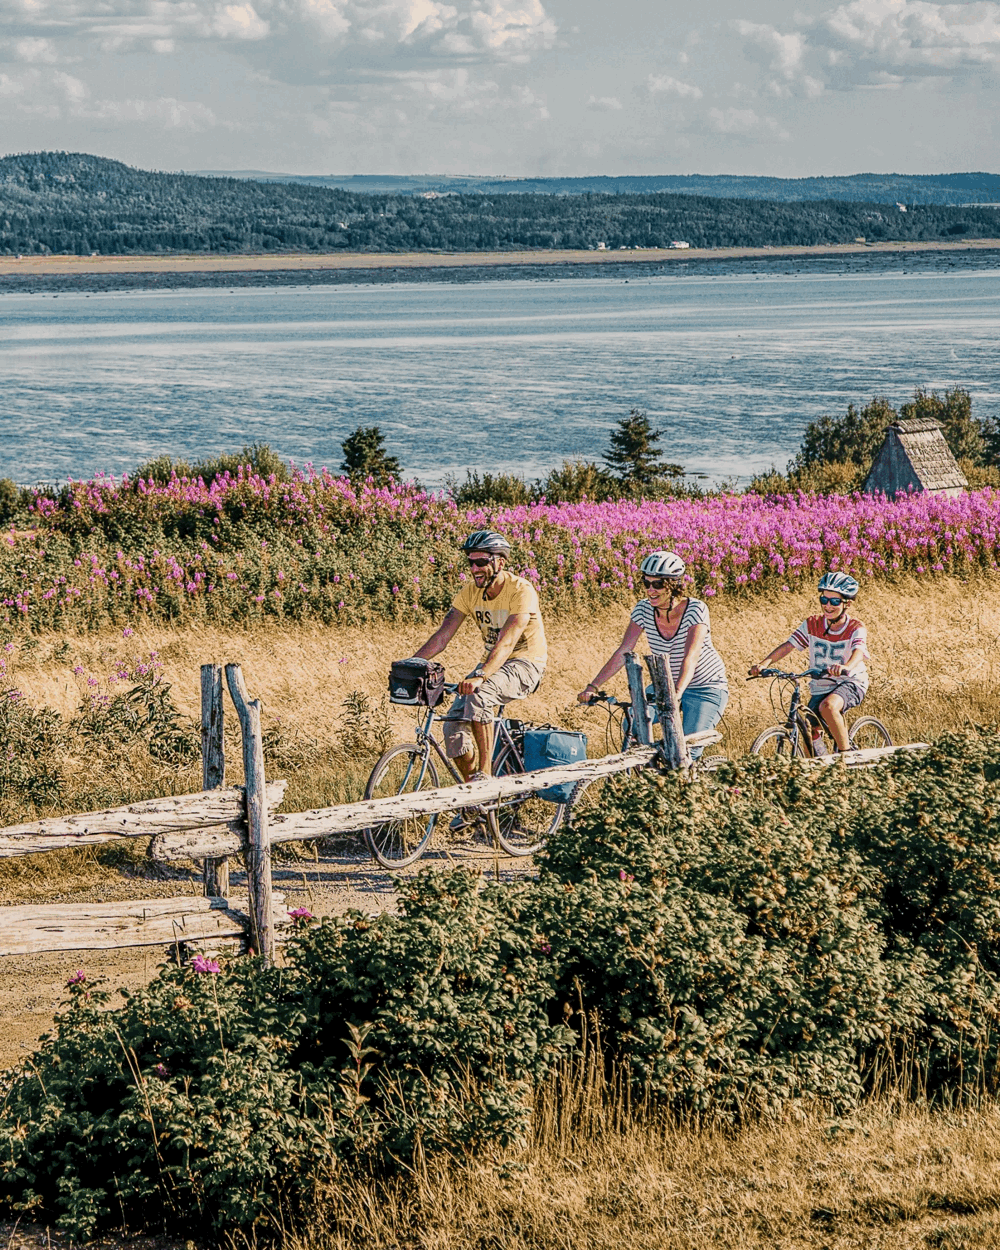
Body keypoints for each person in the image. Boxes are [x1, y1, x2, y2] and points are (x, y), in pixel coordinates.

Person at [412, 530, 547, 782]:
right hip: (491, 664)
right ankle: (473, 800)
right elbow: (443, 635)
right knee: (452, 726)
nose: (474, 568)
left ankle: (485, 778)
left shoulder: (521, 590)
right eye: (470, 562)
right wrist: (412, 664)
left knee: (479, 695)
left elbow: (507, 643)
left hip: (525, 664)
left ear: (500, 562)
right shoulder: (470, 593)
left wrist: (481, 676)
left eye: (482, 562)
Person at [577, 550, 728, 758]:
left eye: (657, 584)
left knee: (689, 749)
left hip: (705, 686)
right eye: (646, 583)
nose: (650, 590)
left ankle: (689, 783)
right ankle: (650, 773)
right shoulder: (643, 610)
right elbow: (624, 650)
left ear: (673, 584)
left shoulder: (696, 609)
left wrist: (676, 694)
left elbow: (690, 657)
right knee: (634, 722)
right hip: (665, 684)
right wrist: (593, 686)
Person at [750, 571, 868, 752]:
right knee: (806, 726)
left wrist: (846, 667)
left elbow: (858, 652)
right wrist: (765, 664)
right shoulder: (812, 623)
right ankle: (819, 766)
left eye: (835, 601)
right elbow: (789, 645)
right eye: (824, 600)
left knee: (828, 707)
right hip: (822, 685)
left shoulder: (855, 628)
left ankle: (846, 758)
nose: (828, 606)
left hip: (850, 681)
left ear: (847, 604)